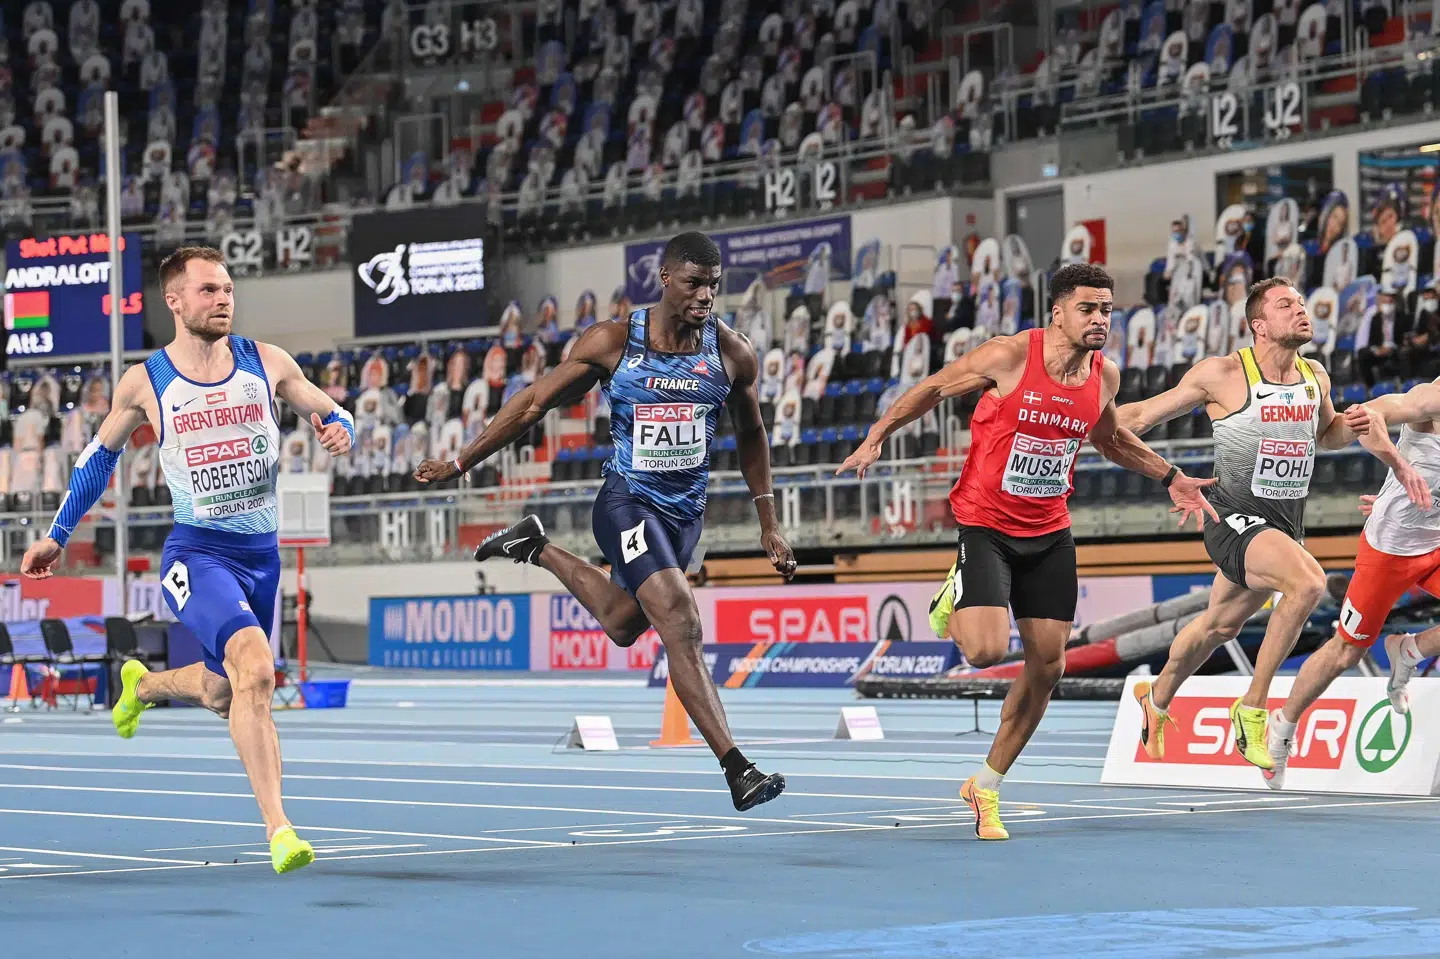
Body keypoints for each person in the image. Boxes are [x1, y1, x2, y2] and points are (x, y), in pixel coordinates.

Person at [413, 231, 794, 811]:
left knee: (622, 622)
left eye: (714, 285)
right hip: (626, 505)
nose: (705, 297)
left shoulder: (731, 353)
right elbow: (535, 403)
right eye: (694, 283)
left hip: (684, 517)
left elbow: (753, 434)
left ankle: (536, 546)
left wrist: (768, 520)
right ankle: (737, 768)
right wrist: (463, 461)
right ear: (664, 278)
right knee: (683, 624)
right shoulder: (614, 342)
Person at [835, 263, 1218, 841]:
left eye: (1107, 309)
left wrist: (1171, 476)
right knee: (986, 652)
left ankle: (986, 785)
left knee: (1049, 663)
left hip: (1049, 530)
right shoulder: (1009, 356)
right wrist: (876, 436)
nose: (1100, 319)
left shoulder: (1103, 376)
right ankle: (955, 594)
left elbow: (1110, 439)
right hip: (986, 525)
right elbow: (935, 387)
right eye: (1088, 308)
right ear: (1057, 312)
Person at [19, 246, 355, 875]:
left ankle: (142, 685)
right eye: (208, 290)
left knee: (225, 690)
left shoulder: (268, 362)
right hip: (197, 553)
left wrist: (340, 427)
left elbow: (330, 410)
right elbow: (98, 460)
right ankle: (280, 829)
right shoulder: (147, 382)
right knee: (256, 670)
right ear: (174, 301)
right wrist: (57, 534)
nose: (223, 298)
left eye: (227, 288)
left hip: (261, 557)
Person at [1118, 276, 1420, 771]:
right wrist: (1089, 424)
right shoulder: (1221, 374)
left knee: (1219, 625)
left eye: (1302, 303)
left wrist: (1357, 422)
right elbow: (1144, 415)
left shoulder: (1315, 375)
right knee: (1308, 584)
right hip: (1231, 514)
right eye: (1287, 305)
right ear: (1259, 325)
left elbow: (1327, 434)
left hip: (1283, 524)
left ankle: (1156, 698)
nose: (1301, 310)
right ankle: (1254, 708)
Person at [1265, 380, 1438, 788]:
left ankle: (1408, 650)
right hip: (1391, 548)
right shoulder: (1430, 400)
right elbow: (1371, 417)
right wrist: (1399, 468)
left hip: (1435, 540)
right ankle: (1283, 726)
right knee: (1347, 649)